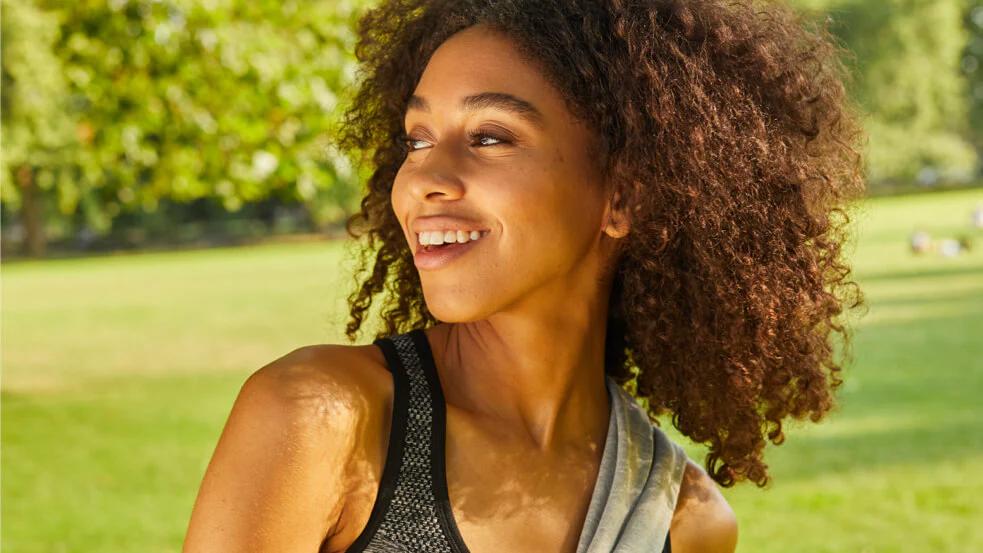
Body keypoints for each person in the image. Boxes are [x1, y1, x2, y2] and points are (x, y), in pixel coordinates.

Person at [182, 0, 866, 551]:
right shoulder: (321, 417)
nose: (422, 178)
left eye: (488, 137)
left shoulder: (681, 522)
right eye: (416, 139)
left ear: (623, 196)